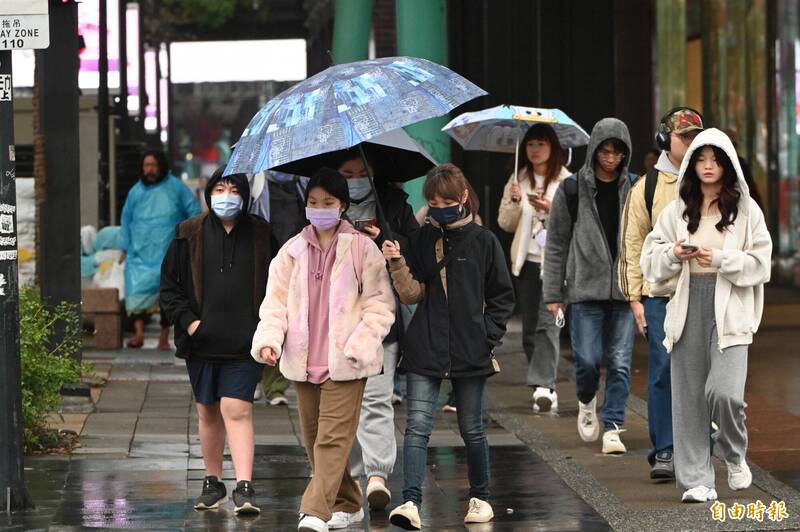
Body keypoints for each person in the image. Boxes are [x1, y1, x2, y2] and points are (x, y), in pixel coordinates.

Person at [251, 168, 395, 532]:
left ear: (343, 206)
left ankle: (314, 510)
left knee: (332, 439)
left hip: (347, 361)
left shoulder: (363, 248)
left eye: (328, 203)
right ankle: (348, 501)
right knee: (315, 441)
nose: (319, 208)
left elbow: (381, 304)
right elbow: (274, 303)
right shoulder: (291, 251)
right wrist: (270, 340)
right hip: (303, 362)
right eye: (313, 202)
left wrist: (360, 345)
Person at [640, 129, 772, 503]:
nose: (708, 165)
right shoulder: (678, 210)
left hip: (731, 309)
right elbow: (651, 260)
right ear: (692, 164)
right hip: (687, 306)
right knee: (689, 398)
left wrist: (719, 259)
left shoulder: (746, 211)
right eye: (701, 158)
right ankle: (697, 480)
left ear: (728, 164)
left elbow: (761, 264)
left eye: (715, 159)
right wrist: (674, 255)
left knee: (724, 393)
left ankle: (733, 453)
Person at [384, 164, 515, 529]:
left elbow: (502, 298)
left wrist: (485, 338)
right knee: (416, 427)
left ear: (462, 198)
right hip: (426, 347)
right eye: (432, 201)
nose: (439, 206)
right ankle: (410, 501)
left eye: (446, 199)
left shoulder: (484, 241)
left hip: (470, 351)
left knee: (472, 429)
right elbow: (413, 293)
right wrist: (397, 263)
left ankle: (480, 498)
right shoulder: (423, 240)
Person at [159, 168, 273, 514]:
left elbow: (281, 284)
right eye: (219, 188)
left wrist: (271, 330)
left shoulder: (262, 234)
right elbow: (169, 286)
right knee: (207, 411)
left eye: (233, 188)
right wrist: (190, 324)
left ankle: (244, 485)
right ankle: (213, 482)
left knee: (236, 408)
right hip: (202, 343)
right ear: (208, 194)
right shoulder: (188, 233)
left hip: (245, 343)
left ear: (244, 195)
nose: (226, 195)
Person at [619, 107, 704, 479]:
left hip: (705, 287)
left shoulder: (712, 176)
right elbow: (632, 241)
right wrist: (634, 297)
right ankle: (666, 449)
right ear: (664, 139)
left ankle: (700, 444)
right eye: (682, 136)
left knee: (704, 370)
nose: (689, 141)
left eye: (694, 135)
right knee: (663, 370)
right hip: (661, 294)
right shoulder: (647, 187)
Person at [542, 118, 636, 455]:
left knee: (621, 362)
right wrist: (554, 294)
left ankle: (612, 425)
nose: (611, 159)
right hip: (583, 291)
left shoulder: (635, 188)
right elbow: (556, 244)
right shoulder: (571, 189)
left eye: (618, 153)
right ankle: (586, 400)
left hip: (626, 290)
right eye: (605, 152)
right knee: (586, 359)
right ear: (594, 151)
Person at [336, 152, 419, 511]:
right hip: (337, 321)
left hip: (381, 320)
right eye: (347, 174)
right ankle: (351, 476)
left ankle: (377, 475)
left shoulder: (394, 206)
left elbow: (414, 251)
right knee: (343, 404)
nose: (355, 179)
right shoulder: (325, 205)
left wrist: (382, 237)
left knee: (376, 399)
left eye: (361, 173)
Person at [498, 124, 571, 413]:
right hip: (526, 261)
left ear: (553, 147)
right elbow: (505, 223)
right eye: (530, 144)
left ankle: (545, 384)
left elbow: (577, 221)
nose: (535, 150)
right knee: (530, 327)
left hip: (555, 263)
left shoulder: (567, 181)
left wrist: (553, 208)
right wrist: (516, 201)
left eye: (541, 144)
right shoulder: (518, 179)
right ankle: (540, 377)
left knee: (549, 323)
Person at [121, 150, 200, 348]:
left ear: (161, 166)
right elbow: (126, 220)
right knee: (135, 290)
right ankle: (138, 334)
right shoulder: (135, 192)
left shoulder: (176, 188)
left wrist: (192, 240)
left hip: (168, 252)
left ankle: (164, 338)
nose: (150, 170)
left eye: (153, 165)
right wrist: (124, 247)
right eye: (146, 165)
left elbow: (194, 214)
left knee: (167, 293)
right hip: (139, 252)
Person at [250, 170, 309, 406]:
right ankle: (253, 378)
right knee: (261, 319)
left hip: (298, 262)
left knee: (291, 322)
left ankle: (276, 386)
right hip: (262, 261)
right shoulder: (257, 183)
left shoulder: (303, 183)